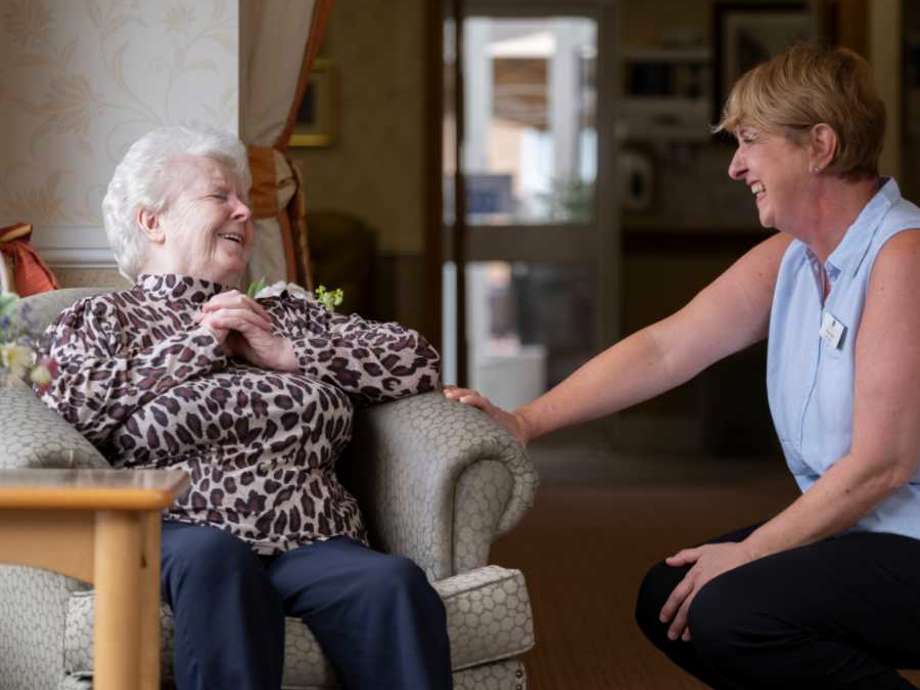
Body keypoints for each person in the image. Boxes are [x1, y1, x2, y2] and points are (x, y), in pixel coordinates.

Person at [445, 43, 920, 689]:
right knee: (671, 598)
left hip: (908, 539)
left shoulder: (902, 255)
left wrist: (750, 554)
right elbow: (667, 348)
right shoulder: (796, 255)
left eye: (750, 140)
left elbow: (881, 466)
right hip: (865, 532)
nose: (735, 166)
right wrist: (525, 421)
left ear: (821, 145)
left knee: (731, 609)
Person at [38, 126, 452, 690]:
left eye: (244, 202)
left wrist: (287, 351)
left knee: (391, 585)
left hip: (310, 537)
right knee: (218, 561)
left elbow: (417, 361)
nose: (243, 213)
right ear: (151, 221)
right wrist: (199, 343)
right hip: (179, 533)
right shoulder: (105, 319)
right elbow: (72, 406)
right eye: (219, 197)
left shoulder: (286, 313)